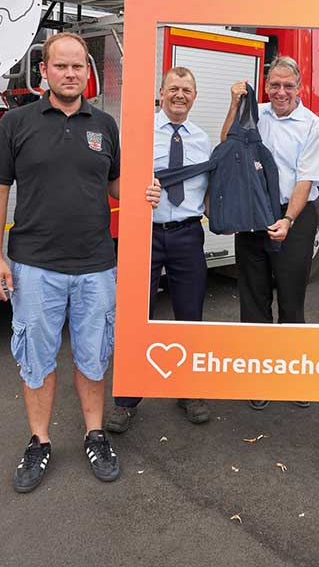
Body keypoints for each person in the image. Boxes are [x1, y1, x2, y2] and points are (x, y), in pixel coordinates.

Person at [0, 32, 161, 494]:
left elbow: (117, 183)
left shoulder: (104, 124)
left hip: (96, 265)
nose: (70, 74)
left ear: (88, 71)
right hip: (34, 265)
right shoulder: (16, 124)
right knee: (37, 359)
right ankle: (40, 441)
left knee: (94, 354)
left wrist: (145, 191)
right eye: (61, 66)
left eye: (78, 66)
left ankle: (94, 435)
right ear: (44, 71)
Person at [221, 56, 319, 410]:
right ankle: (258, 376)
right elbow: (226, 145)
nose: (280, 92)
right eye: (274, 85)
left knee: (290, 300)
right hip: (252, 216)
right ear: (265, 86)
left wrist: (287, 219)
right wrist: (234, 104)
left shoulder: (312, 126)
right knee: (252, 300)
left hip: (294, 218)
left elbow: (305, 178)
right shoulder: (255, 115)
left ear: (298, 88)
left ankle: (292, 375)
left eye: (287, 85)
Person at [105, 67, 212, 433]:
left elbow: (209, 190)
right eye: (173, 89)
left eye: (186, 89)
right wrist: (138, 192)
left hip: (187, 235)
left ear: (194, 96)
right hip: (143, 235)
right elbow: (117, 185)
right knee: (135, 317)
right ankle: (126, 399)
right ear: (160, 93)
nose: (179, 95)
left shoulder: (202, 139)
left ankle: (190, 391)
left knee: (190, 317)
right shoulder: (139, 133)